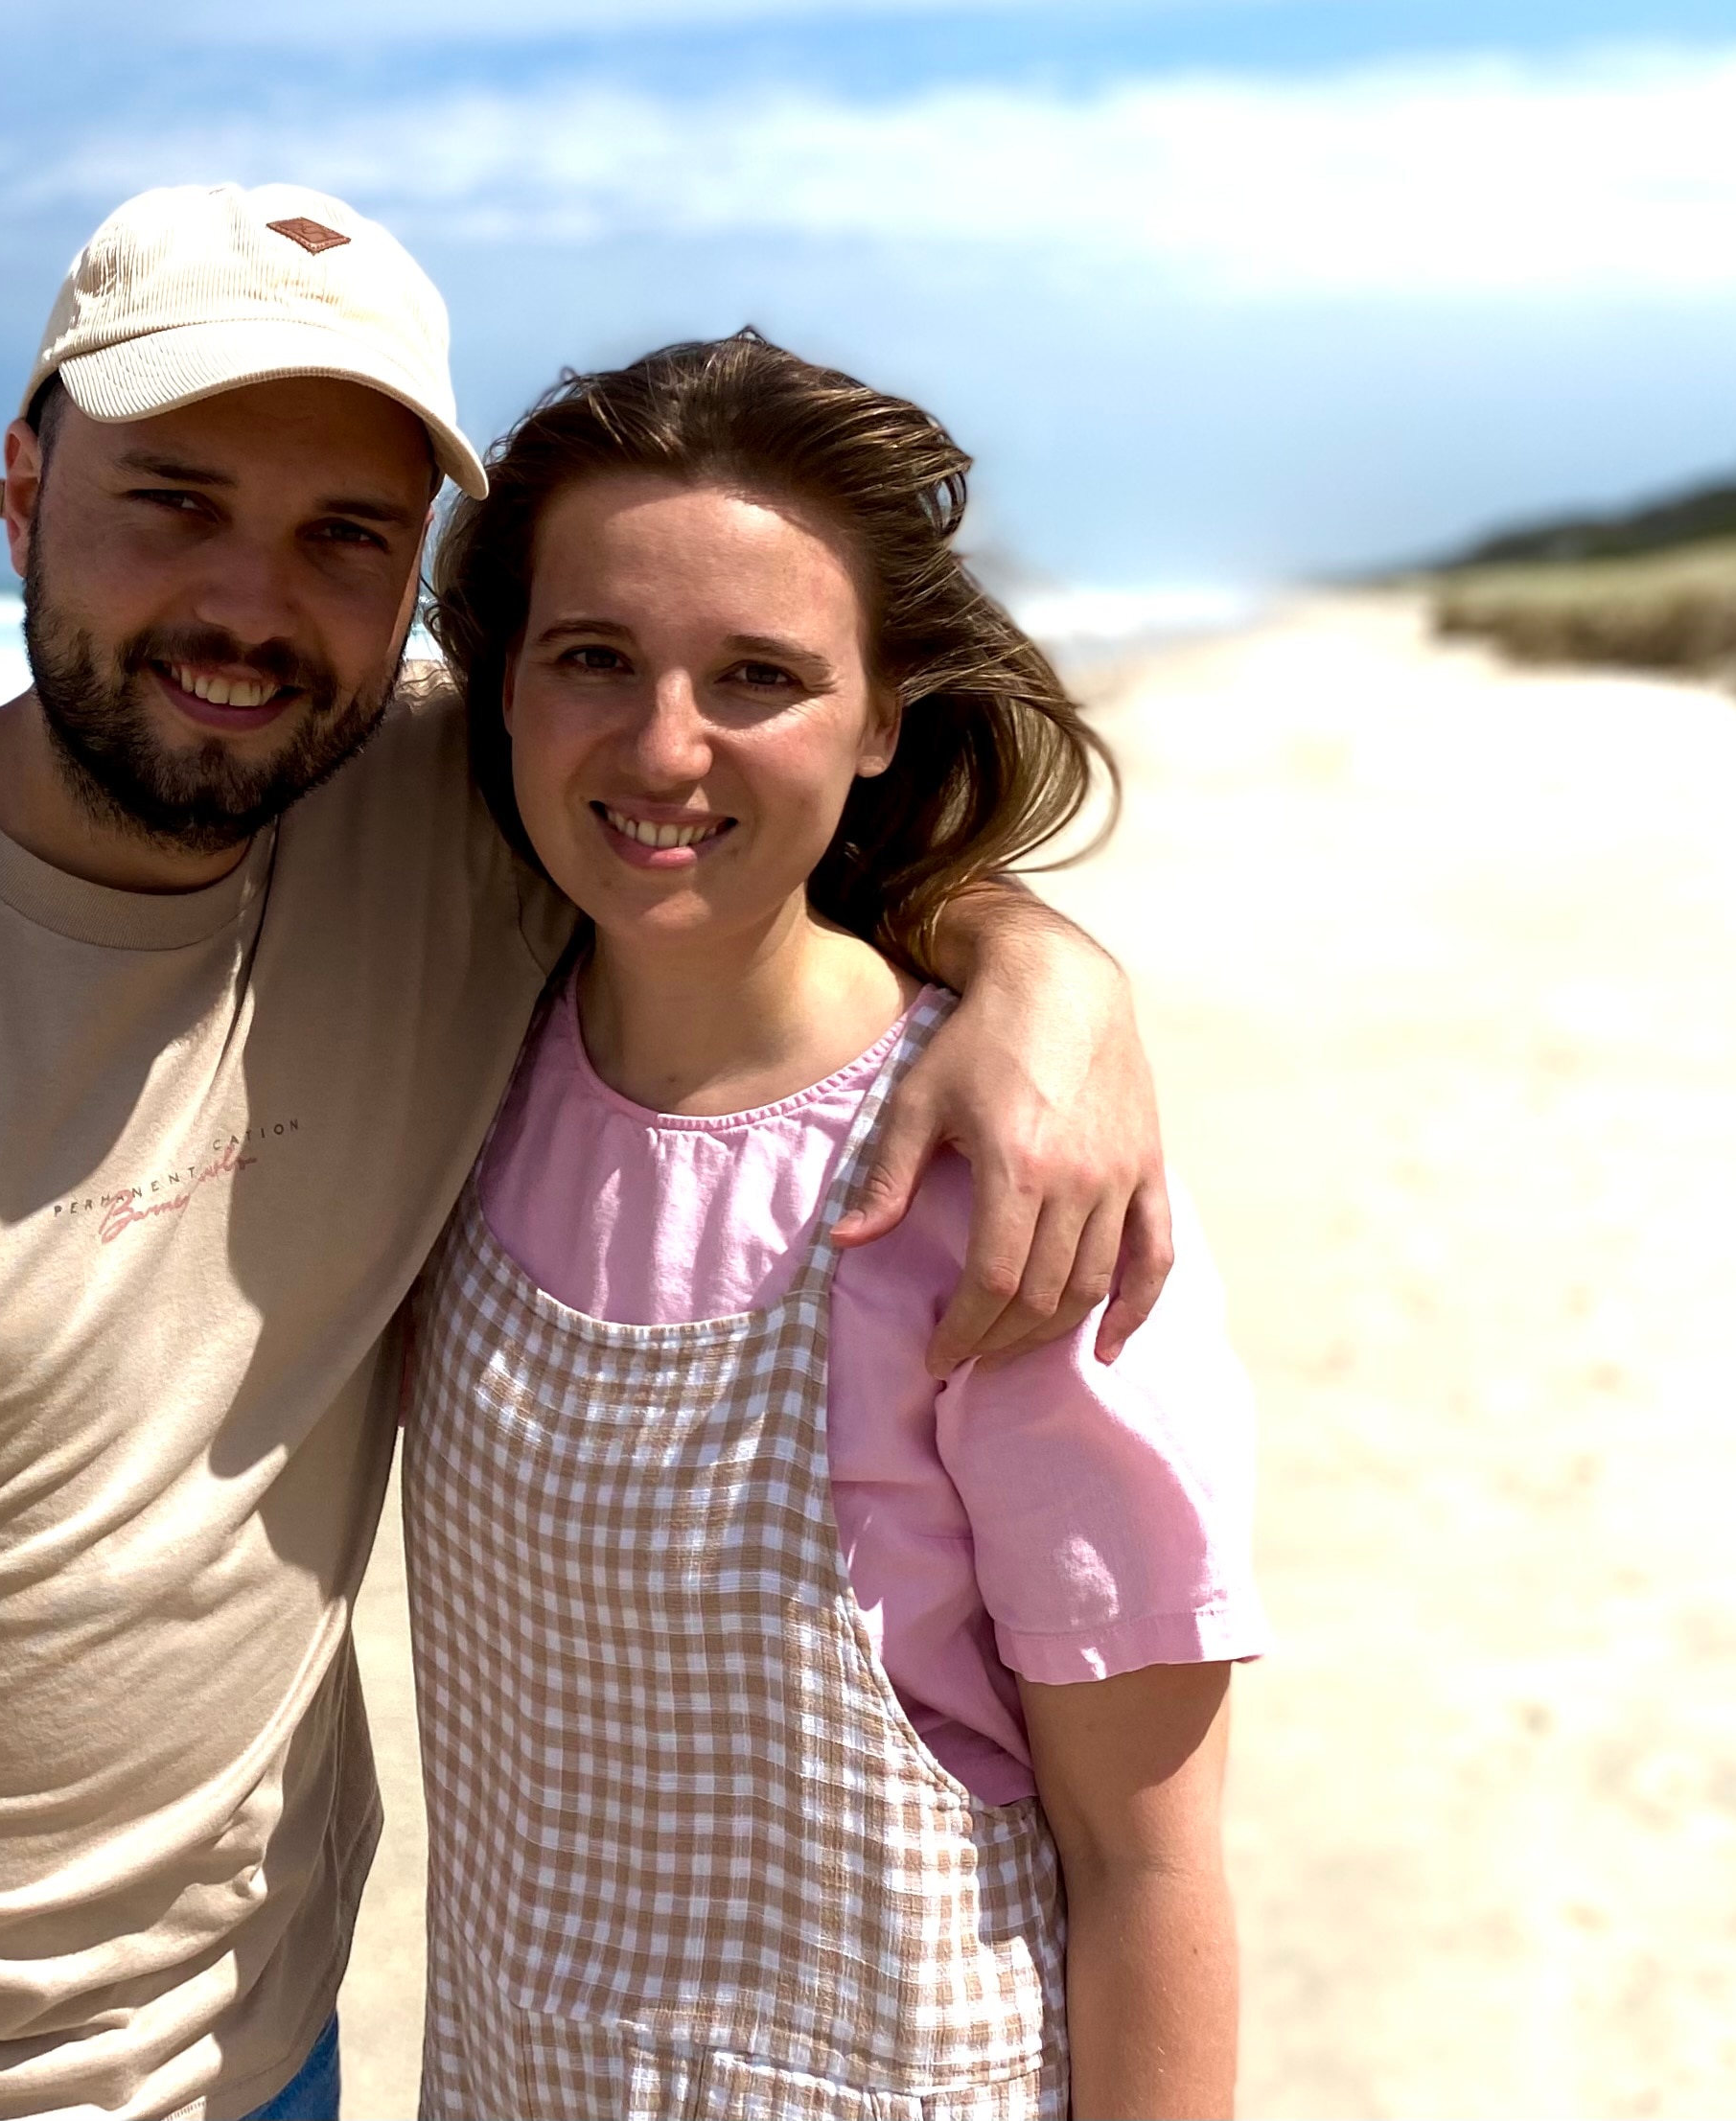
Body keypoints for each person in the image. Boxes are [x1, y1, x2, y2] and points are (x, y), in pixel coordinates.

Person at [0, 182, 1174, 2121]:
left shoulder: (445, 816)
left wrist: (1047, 976)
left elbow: (731, 818)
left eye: (341, 535)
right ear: (21, 491)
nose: (249, 608)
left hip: (260, 2053)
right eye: (171, 501)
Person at [398, 333, 1265, 2119]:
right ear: (496, 687)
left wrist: (1044, 970)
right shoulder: (450, 1053)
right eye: (593, 658)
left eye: (759, 676)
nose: (662, 745)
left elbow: (1150, 1863)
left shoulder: (1010, 1186)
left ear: (881, 717)